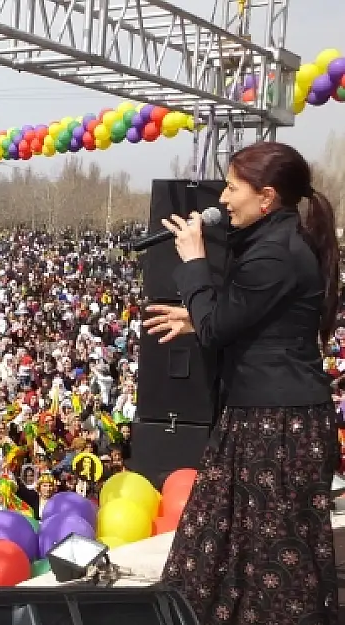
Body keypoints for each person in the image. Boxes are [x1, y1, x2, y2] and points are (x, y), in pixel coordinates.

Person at [147, 141, 339, 625]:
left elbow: (218, 328)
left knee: (277, 559)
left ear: (267, 197)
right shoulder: (269, 244)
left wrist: (192, 262)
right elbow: (244, 319)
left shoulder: (275, 253)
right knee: (216, 544)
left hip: (279, 425)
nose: (224, 198)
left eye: (233, 187)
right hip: (258, 417)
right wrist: (198, 316)